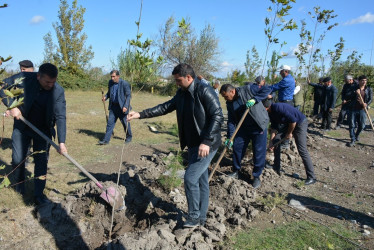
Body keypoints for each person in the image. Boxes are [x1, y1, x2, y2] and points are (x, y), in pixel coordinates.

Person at [127, 63, 223, 228]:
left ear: (188, 77)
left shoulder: (204, 91)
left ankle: (193, 217)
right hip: (194, 145)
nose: (176, 83)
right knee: (201, 181)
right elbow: (165, 107)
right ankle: (201, 217)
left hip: (207, 145)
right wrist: (140, 114)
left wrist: (206, 141)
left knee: (190, 178)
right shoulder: (182, 93)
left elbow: (217, 116)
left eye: (178, 80)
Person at [0, 63, 67, 205]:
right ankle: (19, 188)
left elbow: (61, 116)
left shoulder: (58, 91)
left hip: (43, 130)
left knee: (41, 161)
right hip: (22, 126)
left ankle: (38, 195)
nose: (51, 85)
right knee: (18, 159)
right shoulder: (25, 77)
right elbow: (2, 86)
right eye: (47, 82)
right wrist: (12, 106)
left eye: (53, 82)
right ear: (38, 76)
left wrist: (62, 142)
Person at [219, 82, 271, 189]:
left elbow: (267, 89)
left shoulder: (248, 89)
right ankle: (236, 170)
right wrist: (230, 137)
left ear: (232, 91)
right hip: (243, 128)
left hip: (258, 125)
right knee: (237, 147)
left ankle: (256, 176)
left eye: (226, 96)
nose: (225, 99)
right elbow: (231, 121)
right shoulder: (230, 103)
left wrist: (255, 99)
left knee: (258, 151)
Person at [264, 99, 316, 185]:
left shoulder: (278, 107)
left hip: (300, 123)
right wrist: (271, 142)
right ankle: (276, 166)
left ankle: (311, 177)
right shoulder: (271, 113)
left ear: (266, 108)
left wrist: (289, 133)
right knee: (276, 139)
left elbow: (293, 120)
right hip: (289, 124)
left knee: (302, 149)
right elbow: (274, 128)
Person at [99, 70, 132, 145]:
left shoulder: (124, 83)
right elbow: (109, 93)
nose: (112, 78)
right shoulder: (110, 82)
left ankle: (129, 137)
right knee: (110, 124)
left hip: (122, 107)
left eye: (113, 76)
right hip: (113, 107)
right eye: (111, 76)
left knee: (125, 123)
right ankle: (106, 140)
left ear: (118, 76)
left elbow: (128, 96)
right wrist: (105, 97)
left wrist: (126, 106)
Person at [348, 75, 372, 147]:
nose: (364, 82)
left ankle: (356, 135)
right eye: (362, 80)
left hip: (362, 110)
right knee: (352, 125)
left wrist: (366, 104)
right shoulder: (353, 88)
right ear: (359, 81)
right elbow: (348, 96)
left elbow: (370, 99)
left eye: (365, 80)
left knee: (362, 125)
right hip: (353, 109)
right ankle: (352, 139)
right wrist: (355, 93)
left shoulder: (368, 89)